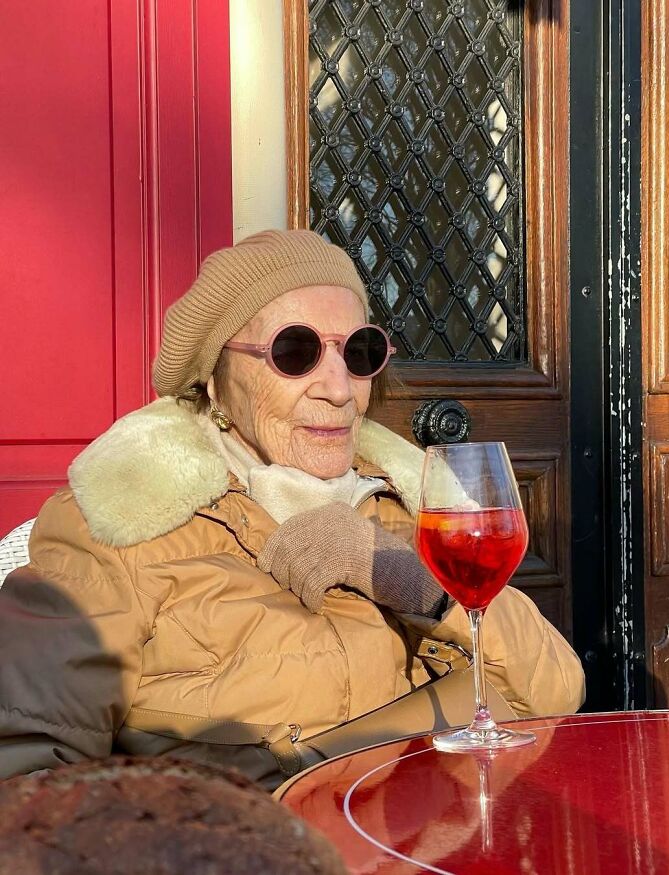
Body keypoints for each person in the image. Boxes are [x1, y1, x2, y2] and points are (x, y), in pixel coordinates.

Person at [0, 230, 584, 788]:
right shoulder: (118, 526)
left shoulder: (400, 505)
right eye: (295, 352)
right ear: (214, 379)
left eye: (359, 352)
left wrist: (408, 578)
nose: (338, 388)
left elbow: (555, 691)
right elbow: (28, 778)